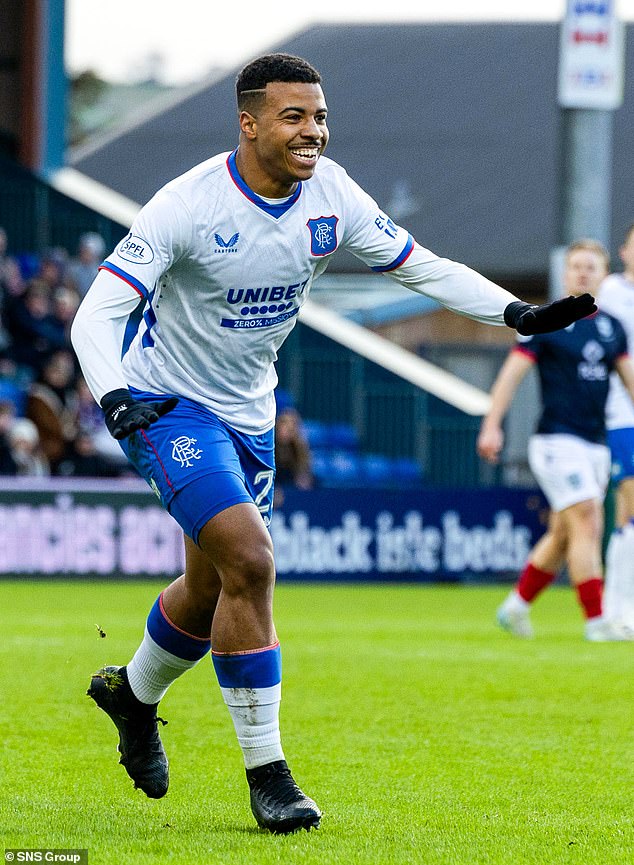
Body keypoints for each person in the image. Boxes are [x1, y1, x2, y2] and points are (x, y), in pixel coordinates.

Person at [70, 53, 596, 834]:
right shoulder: (185, 205)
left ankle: (132, 696)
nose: (313, 131)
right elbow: (94, 315)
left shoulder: (332, 192)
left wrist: (515, 314)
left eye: (318, 116)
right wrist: (114, 393)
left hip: (250, 414)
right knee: (250, 560)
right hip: (167, 404)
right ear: (248, 125)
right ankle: (268, 774)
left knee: (213, 587)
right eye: (294, 117)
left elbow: (423, 268)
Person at [477, 239, 634, 642]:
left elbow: (628, 380)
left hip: (595, 443)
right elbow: (512, 374)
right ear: (565, 274)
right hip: (556, 440)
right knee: (588, 521)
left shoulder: (611, 327)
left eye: (591, 267)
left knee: (566, 533)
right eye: (576, 267)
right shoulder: (545, 321)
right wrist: (492, 423)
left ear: (604, 276)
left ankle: (515, 607)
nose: (583, 273)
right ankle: (597, 621)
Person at [598, 224, 634, 629]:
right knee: (629, 503)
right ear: (623, 251)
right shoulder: (611, 291)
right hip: (621, 411)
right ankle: (617, 609)